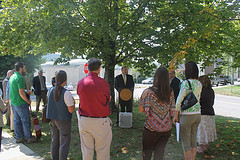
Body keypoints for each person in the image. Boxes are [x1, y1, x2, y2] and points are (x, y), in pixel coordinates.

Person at [77, 58, 112, 160]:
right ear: (99, 68)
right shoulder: (103, 83)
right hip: (100, 121)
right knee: (102, 152)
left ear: (88, 68)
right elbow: (107, 98)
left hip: (84, 120)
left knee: (87, 152)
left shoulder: (81, 82)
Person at [138, 66, 175, 160]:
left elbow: (141, 110)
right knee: (160, 155)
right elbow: (172, 111)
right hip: (166, 129)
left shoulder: (148, 92)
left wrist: (142, 98)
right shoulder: (170, 92)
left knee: (147, 155)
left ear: (156, 77)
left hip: (151, 129)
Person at [173, 61, 202, 160]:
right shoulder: (199, 83)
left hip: (187, 115)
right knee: (193, 141)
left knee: (186, 142)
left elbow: (179, 101)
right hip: (197, 114)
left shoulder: (186, 83)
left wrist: (176, 115)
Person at [46, 70, 75, 160]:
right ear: (65, 80)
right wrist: (73, 102)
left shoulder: (50, 90)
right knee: (64, 142)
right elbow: (71, 110)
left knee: (54, 141)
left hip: (52, 119)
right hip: (63, 120)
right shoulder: (66, 93)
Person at [9, 62, 36, 143]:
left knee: (17, 120)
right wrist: (27, 101)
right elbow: (21, 92)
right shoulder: (20, 78)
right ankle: (28, 137)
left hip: (14, 102)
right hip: (21, 103)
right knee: (25, 121)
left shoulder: (12, 76)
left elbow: (17, 90)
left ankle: (19, 137)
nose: (25, 69)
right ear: (21, 68)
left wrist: (26, 91)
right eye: (24, 67)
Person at [197, 75, 217, 153]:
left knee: (201, 130)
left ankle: (201, 147)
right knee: (208, 130)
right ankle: (206, 146)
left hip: (203, 112)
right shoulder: (211, 90)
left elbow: (199, 101)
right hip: (210, 112)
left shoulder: (201, 91)